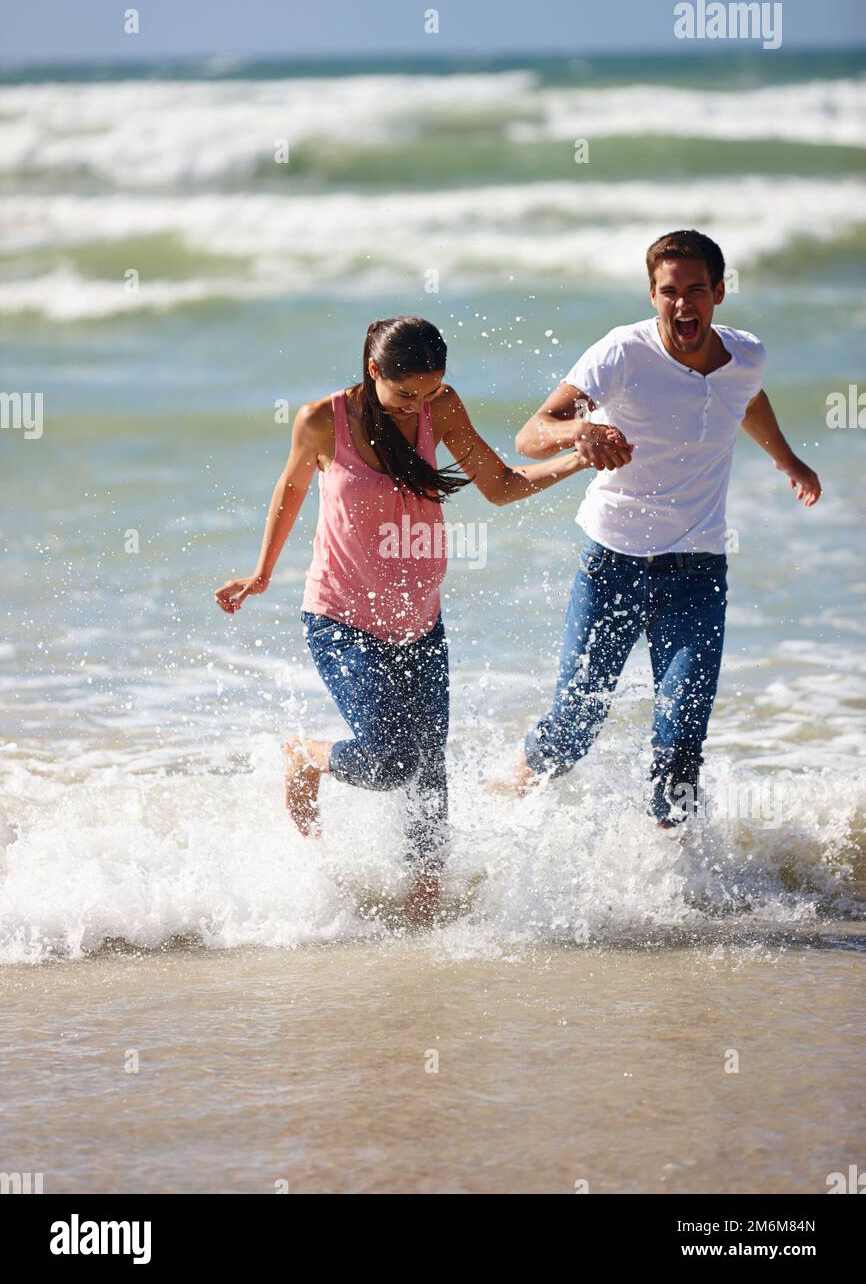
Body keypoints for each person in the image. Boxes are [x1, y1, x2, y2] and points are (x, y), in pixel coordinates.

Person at [214, 316, 620, 921]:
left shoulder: (442, 408)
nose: (419, 406)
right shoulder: (323, 421)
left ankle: (424, 900)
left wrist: (580, 461)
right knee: (389, 759)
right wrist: (261, 572)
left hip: (421, 619)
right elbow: (291, 489)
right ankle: (304, 755)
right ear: (374, 371)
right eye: (407, 394)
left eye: (430, 392)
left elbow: (502, 486)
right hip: (341, 617)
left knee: (429, 768)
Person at [507, 229, 821, 828]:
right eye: (669, 292)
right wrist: (582, 433)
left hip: (698, 571)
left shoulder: (746, 355)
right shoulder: (620, 354)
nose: (684, 305)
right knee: (573, 729)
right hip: (613, 564)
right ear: (653, 295)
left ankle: (672, 880)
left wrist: (787, 459)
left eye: (696, 290)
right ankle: (508, 787)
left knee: (681, 741)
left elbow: (745, 396)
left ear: (719, 293)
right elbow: (532, 433)